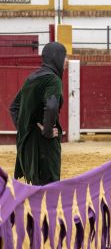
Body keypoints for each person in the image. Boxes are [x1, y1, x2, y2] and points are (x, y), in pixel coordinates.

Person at [9, 42, 68, 185]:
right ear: (56, 57)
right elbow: (52, 106)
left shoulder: (32, 78)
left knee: (37, 189)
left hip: (29, 146)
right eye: (64, 56)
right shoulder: (53, 79)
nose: (66, 60)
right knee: (49, 189)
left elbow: (14, 107)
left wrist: (27, 130)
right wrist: (47, 131)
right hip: (44, 146)